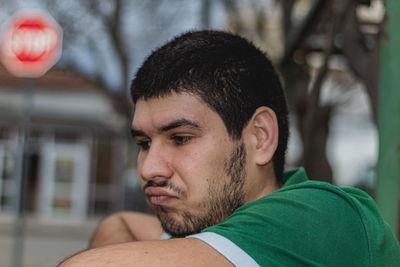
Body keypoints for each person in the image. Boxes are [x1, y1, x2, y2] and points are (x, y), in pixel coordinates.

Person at [59, 30, 400, 266]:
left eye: (180, 138)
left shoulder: (322, 216)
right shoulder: (213, 226)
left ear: (260, 137)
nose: (149, 168)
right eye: (144, 143)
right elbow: (120, 223)